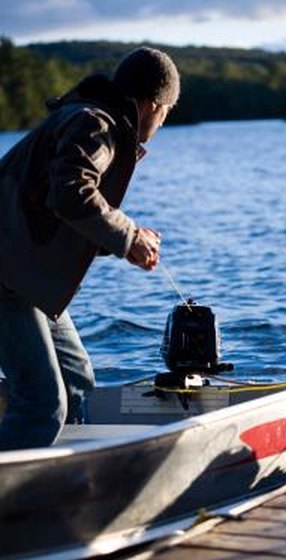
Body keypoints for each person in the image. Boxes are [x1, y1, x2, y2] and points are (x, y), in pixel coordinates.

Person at [0, 46, 180, 450]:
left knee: (76, 381)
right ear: (153, 104)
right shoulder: (94, 125)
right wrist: (129, 236)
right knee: (42, 403)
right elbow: (72, 195)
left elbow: (56, 212)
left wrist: (127, 242)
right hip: (8, 275)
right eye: (168, 111)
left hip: (23, 272)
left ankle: (67, 480)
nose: (164, 121)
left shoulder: (92, 119)